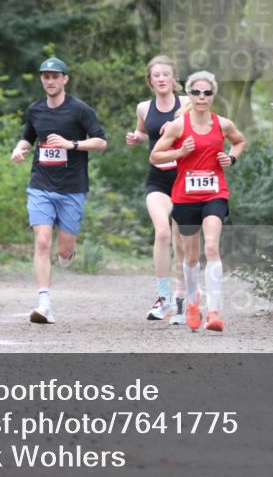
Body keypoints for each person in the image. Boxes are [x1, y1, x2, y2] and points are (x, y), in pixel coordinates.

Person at [11, 57, 107, 324]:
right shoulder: (35, 109)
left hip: (72, 188)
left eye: (55, 76)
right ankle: (44, 304)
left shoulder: (80, 110)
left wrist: (71, 144)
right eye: (46, 76)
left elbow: (101, 142)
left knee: (64, 251)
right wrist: (19, 149)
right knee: (42, 241)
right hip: (40, 185)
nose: (50, 81)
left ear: (65, 79)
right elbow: (28, 137)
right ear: (42, 79)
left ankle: (68, 253)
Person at [149, 71, 245, 332]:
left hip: (215, 194)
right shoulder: (178, 126)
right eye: (196, 92)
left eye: (207, 93)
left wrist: (231, 158)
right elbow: (155, 156)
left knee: (211, 247)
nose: (202, 97)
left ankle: (214, 312)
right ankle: (192, 304)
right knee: (191, 256)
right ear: (189, 95)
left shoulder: (223, 124)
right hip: (184, 197)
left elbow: (239, 141)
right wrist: (180, 151)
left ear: (213, 95)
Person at [126, 55, 189, 324]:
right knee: (162, 232)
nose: (161, 79)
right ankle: (163, 299)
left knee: (181, 240)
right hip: (158, 179)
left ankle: (182, 300)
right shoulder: (143, 107)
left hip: (184, 178)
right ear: (150, 80)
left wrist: (177, 126)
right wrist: (136, 137)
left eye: (166, 74)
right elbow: (144, 132)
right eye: (156, 75)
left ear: (174, 79)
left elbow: (200, 128)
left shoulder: (187, 103)